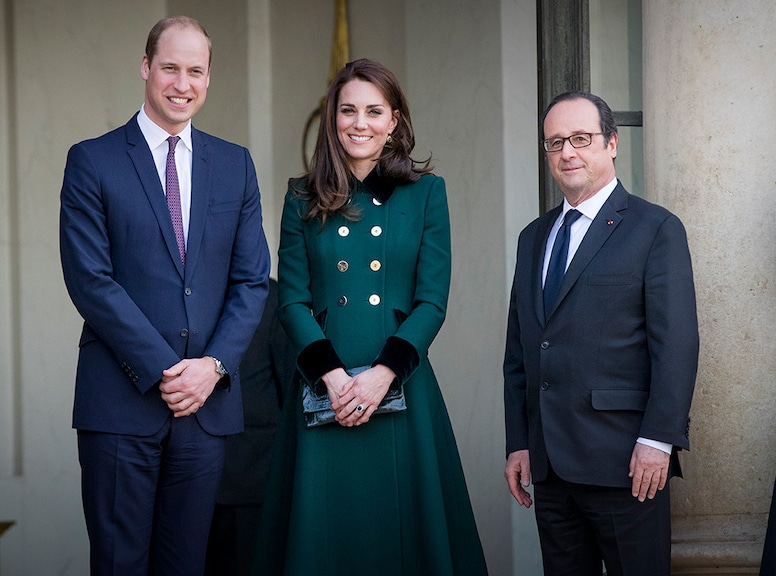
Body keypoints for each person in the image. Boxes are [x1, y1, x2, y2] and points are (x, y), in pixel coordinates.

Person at [252, 58, 487, 575]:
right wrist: (332, 378)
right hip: (323, 390)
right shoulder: (301, 196)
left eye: (374, 111)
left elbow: (432, 300)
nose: (360, 123)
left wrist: (383, 375)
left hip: (400, 386)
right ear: (332, 118)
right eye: (348, 110)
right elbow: (291, 300)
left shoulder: (427, 192)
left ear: (395, 120)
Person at [59, 16, 270, 575]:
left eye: (195, 70)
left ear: (208, 77)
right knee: (119, 564)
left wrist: (212, 367)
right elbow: (90, 279)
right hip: (121, 404)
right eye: (170, 67)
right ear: (146, 68)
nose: (183, 83)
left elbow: (252, 280)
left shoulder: (235, 164)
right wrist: (165, 369)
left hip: (205, 408)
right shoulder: (92, 160)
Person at [503, 91, 699, 576]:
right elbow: (521, 350)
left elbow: (676, 343)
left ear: (611, 144)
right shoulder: (534, 237)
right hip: (549, 463)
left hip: (626, 463)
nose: (567, 152)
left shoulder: (655, 228)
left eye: (580, 139)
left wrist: (658, 440)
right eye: (554, 143)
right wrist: (520, 441)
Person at [205, 279, 295, 576]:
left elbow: (290, 390)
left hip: (251, 478)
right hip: (182, 478)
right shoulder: (178, 287)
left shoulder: (274, 298)